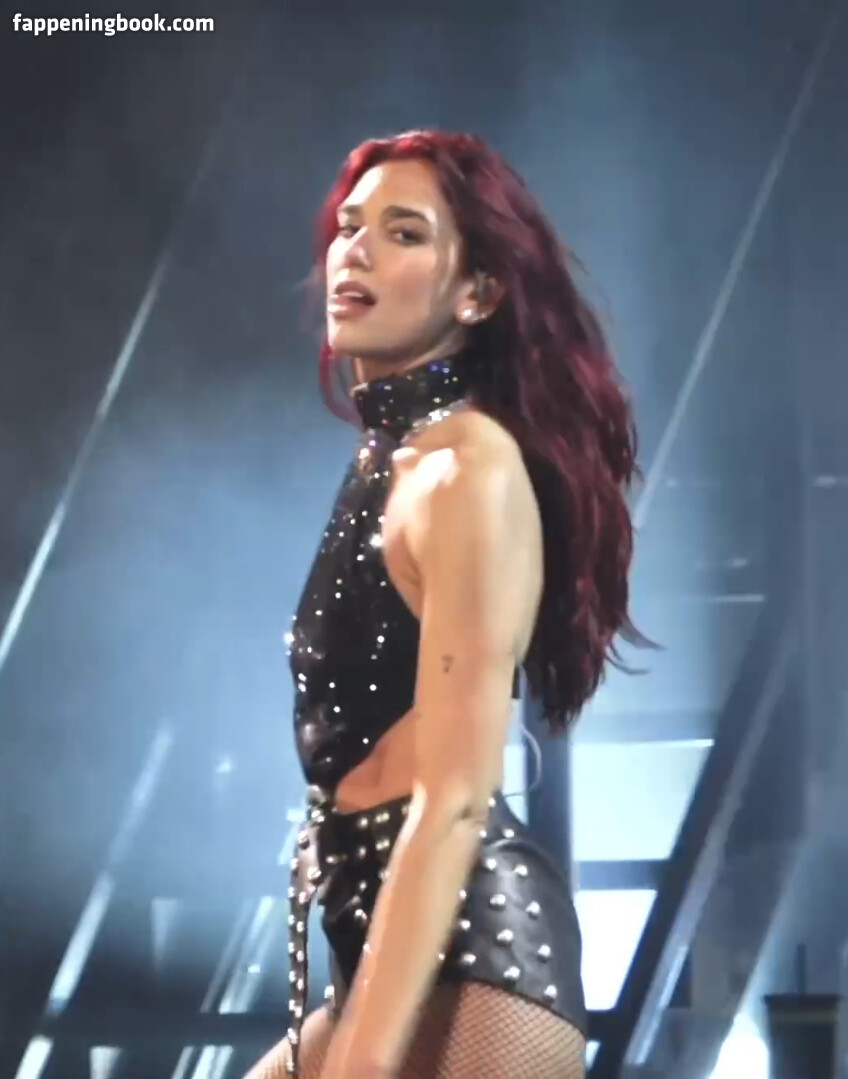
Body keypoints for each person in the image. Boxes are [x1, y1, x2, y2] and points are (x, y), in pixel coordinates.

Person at [244, 129, 645, 1079]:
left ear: (479, 293)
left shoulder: (469, 467)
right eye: (350, 227)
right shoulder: (393, 458)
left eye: (404, 232)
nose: (356, 250)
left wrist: (358, 1063)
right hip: (379, 941)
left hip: (476, 954)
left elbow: (456, 801)